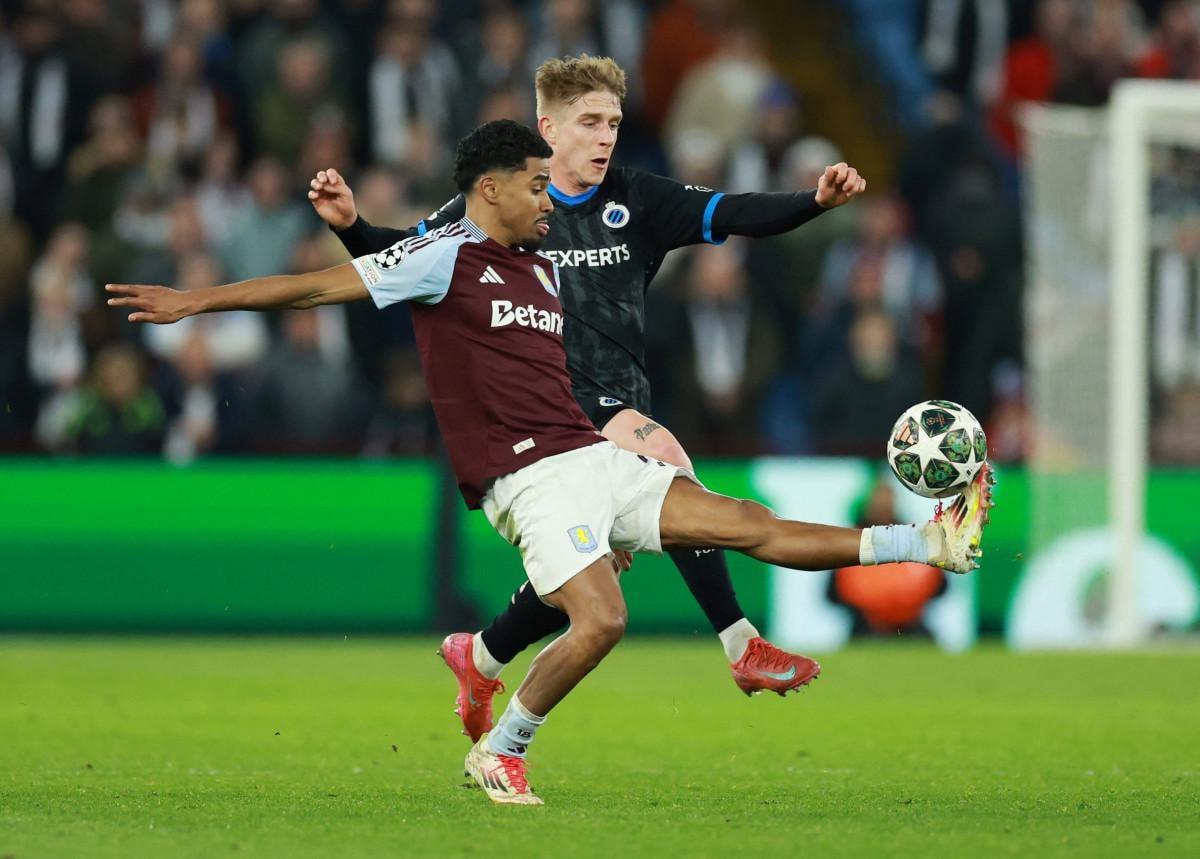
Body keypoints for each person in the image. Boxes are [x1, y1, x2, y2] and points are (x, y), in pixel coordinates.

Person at [107, 119, 994, 806]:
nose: (549, 201)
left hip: (589, 454)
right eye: (537, 186)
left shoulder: (537, 265)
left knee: (743, 522)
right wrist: (196, 301)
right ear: (489, 188)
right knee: (602, 621)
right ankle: (502, 749)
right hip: (526, 477)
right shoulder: (443, 257)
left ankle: (929, 543)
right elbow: (313, 287)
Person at [307, 55, 869, 744]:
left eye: (614, 123)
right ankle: (740, 641)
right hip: (549, 411)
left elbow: (736, 211)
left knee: (592, 572)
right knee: (669, 459)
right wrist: (352, 227)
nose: (605, 137)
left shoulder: (638, 199)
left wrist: (814, 202)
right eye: (589, 122)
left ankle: (480, 656)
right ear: (548, 128)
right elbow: (400, 262)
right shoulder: (499, 206)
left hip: (615, 404)